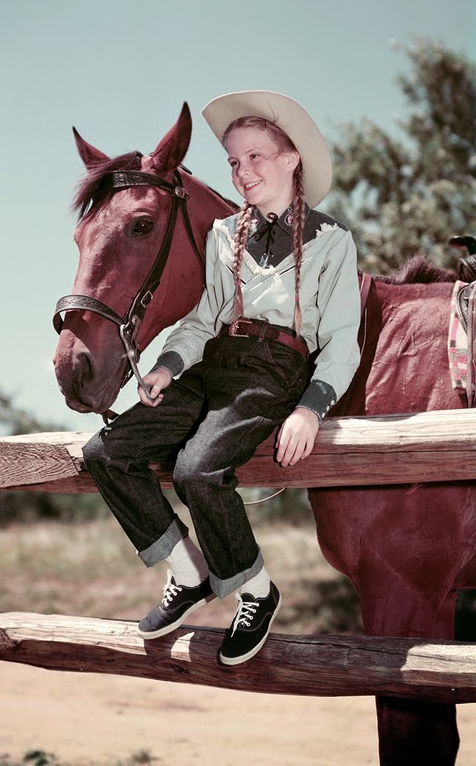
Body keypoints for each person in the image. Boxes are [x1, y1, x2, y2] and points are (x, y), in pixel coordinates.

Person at [83, 90, 360, 666]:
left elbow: (341, 341)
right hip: (214, 363)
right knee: (106, 451)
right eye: (234, 161)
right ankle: (188, 571)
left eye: (255, 156)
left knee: (196, 470)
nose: (242, 171)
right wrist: (168, 365)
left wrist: (310, 408)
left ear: (291, 159)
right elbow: (203, 318)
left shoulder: (332, 240)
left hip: (275, 368)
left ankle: (255, 590)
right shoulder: (223, 236)